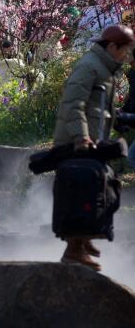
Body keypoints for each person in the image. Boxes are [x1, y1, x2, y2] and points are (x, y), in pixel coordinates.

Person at [53, 24, 135, 269]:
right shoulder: (90, 67)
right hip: (78, 142)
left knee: (99, 190)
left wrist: (116, 122)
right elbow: (73, 103)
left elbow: (96, 106)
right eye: (125, 50)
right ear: (112, 46)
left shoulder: (104, 69)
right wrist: (81, 137)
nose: (127, 56)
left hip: (92, 140)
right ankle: (73, 248)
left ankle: (83, 240)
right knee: (79, 193)